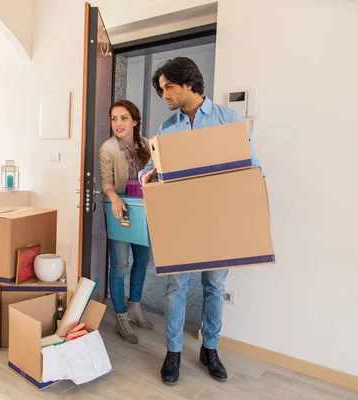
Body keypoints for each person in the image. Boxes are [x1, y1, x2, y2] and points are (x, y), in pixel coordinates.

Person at [138, 57, 264, 385]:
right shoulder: (168, 128)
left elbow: (253, 166)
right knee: (177, 285)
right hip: (182, 220)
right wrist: (147, 176)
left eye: (168, 87)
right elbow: (154, 168)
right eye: (160, 89)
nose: (163, 95)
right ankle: (174, 351)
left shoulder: (227, 119)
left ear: (189, 84)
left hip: (218, 219)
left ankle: (210, 348)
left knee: (214, 285)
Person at [99, 99, 154, 344]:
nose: (118, 123)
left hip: (143, 210)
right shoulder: (107, 149)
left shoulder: (147, 144)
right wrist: (114, 198)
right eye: (114, 119)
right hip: (119, 210)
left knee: (142, 260)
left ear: (134, 120)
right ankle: (121, 318)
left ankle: (135, 307)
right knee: (120, 266)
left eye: (123, 118)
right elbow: (106, 183)